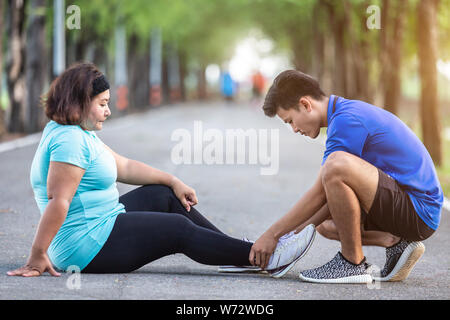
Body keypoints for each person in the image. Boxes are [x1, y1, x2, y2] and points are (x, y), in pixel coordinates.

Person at [6, 63, 315, 277]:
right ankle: (264, 258)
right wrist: (37, 255)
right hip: (83, 247)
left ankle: (238, 253)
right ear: (78, 102)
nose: (108, 110)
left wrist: (172, 180)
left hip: (102, 222)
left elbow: (123, 166)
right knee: (177, 231)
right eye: (102, 103)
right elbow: (58, 201)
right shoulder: (70, 140)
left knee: (164, 195)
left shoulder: (78, 133)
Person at [250, 69, 443, 283]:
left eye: (290, 121)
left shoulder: (347, 119)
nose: (294, 129)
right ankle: (395, 241)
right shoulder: (341, 114)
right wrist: (288, 237)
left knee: (335, 166)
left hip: (418, 210)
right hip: (406, 208)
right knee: (324, 224)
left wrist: (272, 235)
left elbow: (320, 192)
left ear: (305, 105)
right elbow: (329, 196)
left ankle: (352, 263)